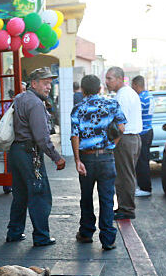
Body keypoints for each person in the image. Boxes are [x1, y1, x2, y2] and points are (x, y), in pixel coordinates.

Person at [7, 67, 66, 246]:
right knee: (40, 194)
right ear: (34, 84)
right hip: (29, 153)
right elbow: (42, 137)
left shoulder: (19, 98)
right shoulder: (35, 103)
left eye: (50, 83)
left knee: (20, 195)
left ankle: (14, 232)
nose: (49, 87)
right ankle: (41, 237)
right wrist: (56, 157)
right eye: (45, 83)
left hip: (16, 152)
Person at [70, 74, 127, 251]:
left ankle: (86, 232)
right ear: (100, 88)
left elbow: (75, 135)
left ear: (83, 90)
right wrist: (111, 146)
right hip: (106, 157)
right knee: (107, 198)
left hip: (86, 158)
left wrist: (77, 160)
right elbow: (122, 127)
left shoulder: (78, 109)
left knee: (86, 197)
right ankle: (108, 239)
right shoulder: (111, 104)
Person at [105, 67, 142, 220]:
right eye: (106, 78)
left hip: (125, 139)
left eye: (110, 79)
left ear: (120, 79)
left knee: (124, 175)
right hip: (130, 138)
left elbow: (121, 126)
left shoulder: (123, 96)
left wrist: (113, 144)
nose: (106, 82)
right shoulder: (124, 94)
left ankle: (126, 208)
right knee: (124, 174)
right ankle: (124, 206)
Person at [132, 75, 154, 197]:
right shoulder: (149, 96)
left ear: (136, 85)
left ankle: (145, 188)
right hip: (148, 130)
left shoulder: (141, 99)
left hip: (143, 133)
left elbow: (135, 114)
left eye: (133, 85)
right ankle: (144, 186)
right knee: (143, 160)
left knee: (142, 162)